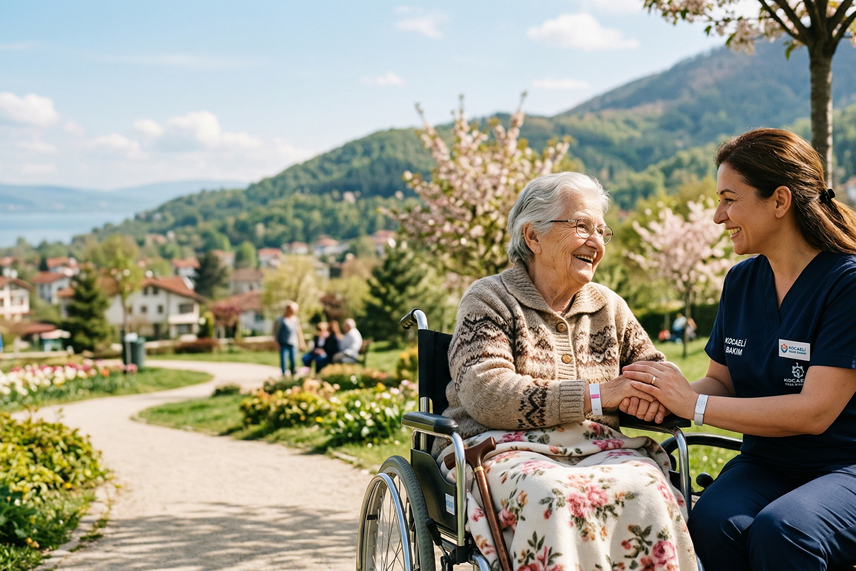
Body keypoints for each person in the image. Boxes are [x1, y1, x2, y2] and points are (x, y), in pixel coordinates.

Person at [622, 128, 856, 571]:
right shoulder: (741, 281)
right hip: (766, 462)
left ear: (780, 201)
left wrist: (694, 406)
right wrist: (663, 395)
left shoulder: (846, 284)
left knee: (785, 530)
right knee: (710, 521)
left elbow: (815, 412)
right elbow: (722, 380)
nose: (717, 216)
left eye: (729, 199)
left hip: (844, 467)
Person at [438, 172, 697, 570]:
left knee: (648, 489)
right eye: (581, 226)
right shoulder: (488, 299)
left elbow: (654, 371)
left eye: (601, 230)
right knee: (551, 494)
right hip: (498, 449)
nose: (596, 242)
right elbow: (488, 392)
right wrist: (600, 394)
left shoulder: (609, 307)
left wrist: (653, 397)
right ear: (533, 237)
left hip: (597, 448)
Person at [273, 302, 306, 376]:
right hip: (283, 343)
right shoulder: (280, 320)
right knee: (284, 360)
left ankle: (292, 374)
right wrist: (276, 342)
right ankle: (284, 374)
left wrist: (301, 342)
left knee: (293, 360)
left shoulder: (295, 319)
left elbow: (299, 331)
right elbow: (275, 332)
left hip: (294, 343)